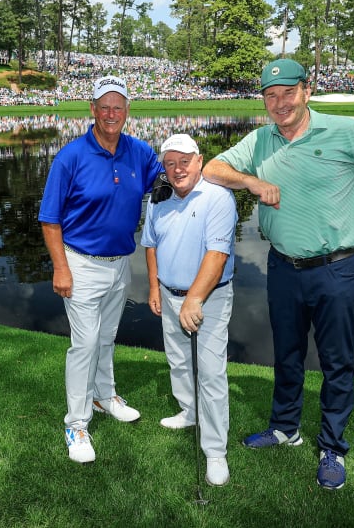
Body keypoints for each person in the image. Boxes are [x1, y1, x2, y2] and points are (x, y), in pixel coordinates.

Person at [202, 59, 354, 490]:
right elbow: (213, 169)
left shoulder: (348, 130)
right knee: (286, 354)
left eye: (288, 92)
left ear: (307, 91)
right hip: (283, 266)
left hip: (335, 268)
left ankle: (332, 447)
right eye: (270, 95)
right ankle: (286, 427)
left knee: (336, 362)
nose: (279, 103)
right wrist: (250, 181)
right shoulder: (261, 139)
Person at [39, 75, 164, 464]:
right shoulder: (71, 156)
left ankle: (105, 395)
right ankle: (76, 423)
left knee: (107, 337)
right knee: (85, 344)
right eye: (104, 106)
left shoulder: (139, 152)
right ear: (92, 110)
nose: (111, 114)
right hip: (80, 264)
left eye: (119, 107)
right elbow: (49, 220)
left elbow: (164, 178)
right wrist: (61, 268)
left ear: (128, 111)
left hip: (119, 264)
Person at [141, 133, 237, 486]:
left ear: (199, 161)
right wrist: (153, 285)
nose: (178, 169)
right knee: (179, 358)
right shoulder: (159, 197)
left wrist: (194, 299)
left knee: (210, 373)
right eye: (170, 162)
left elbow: (218, 254)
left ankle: (215, 451)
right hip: (169, 293)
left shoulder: (219, 197)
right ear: (164, 167)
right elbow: (150, 244)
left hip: (209, 297)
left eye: (185, 161)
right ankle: (189, 411)